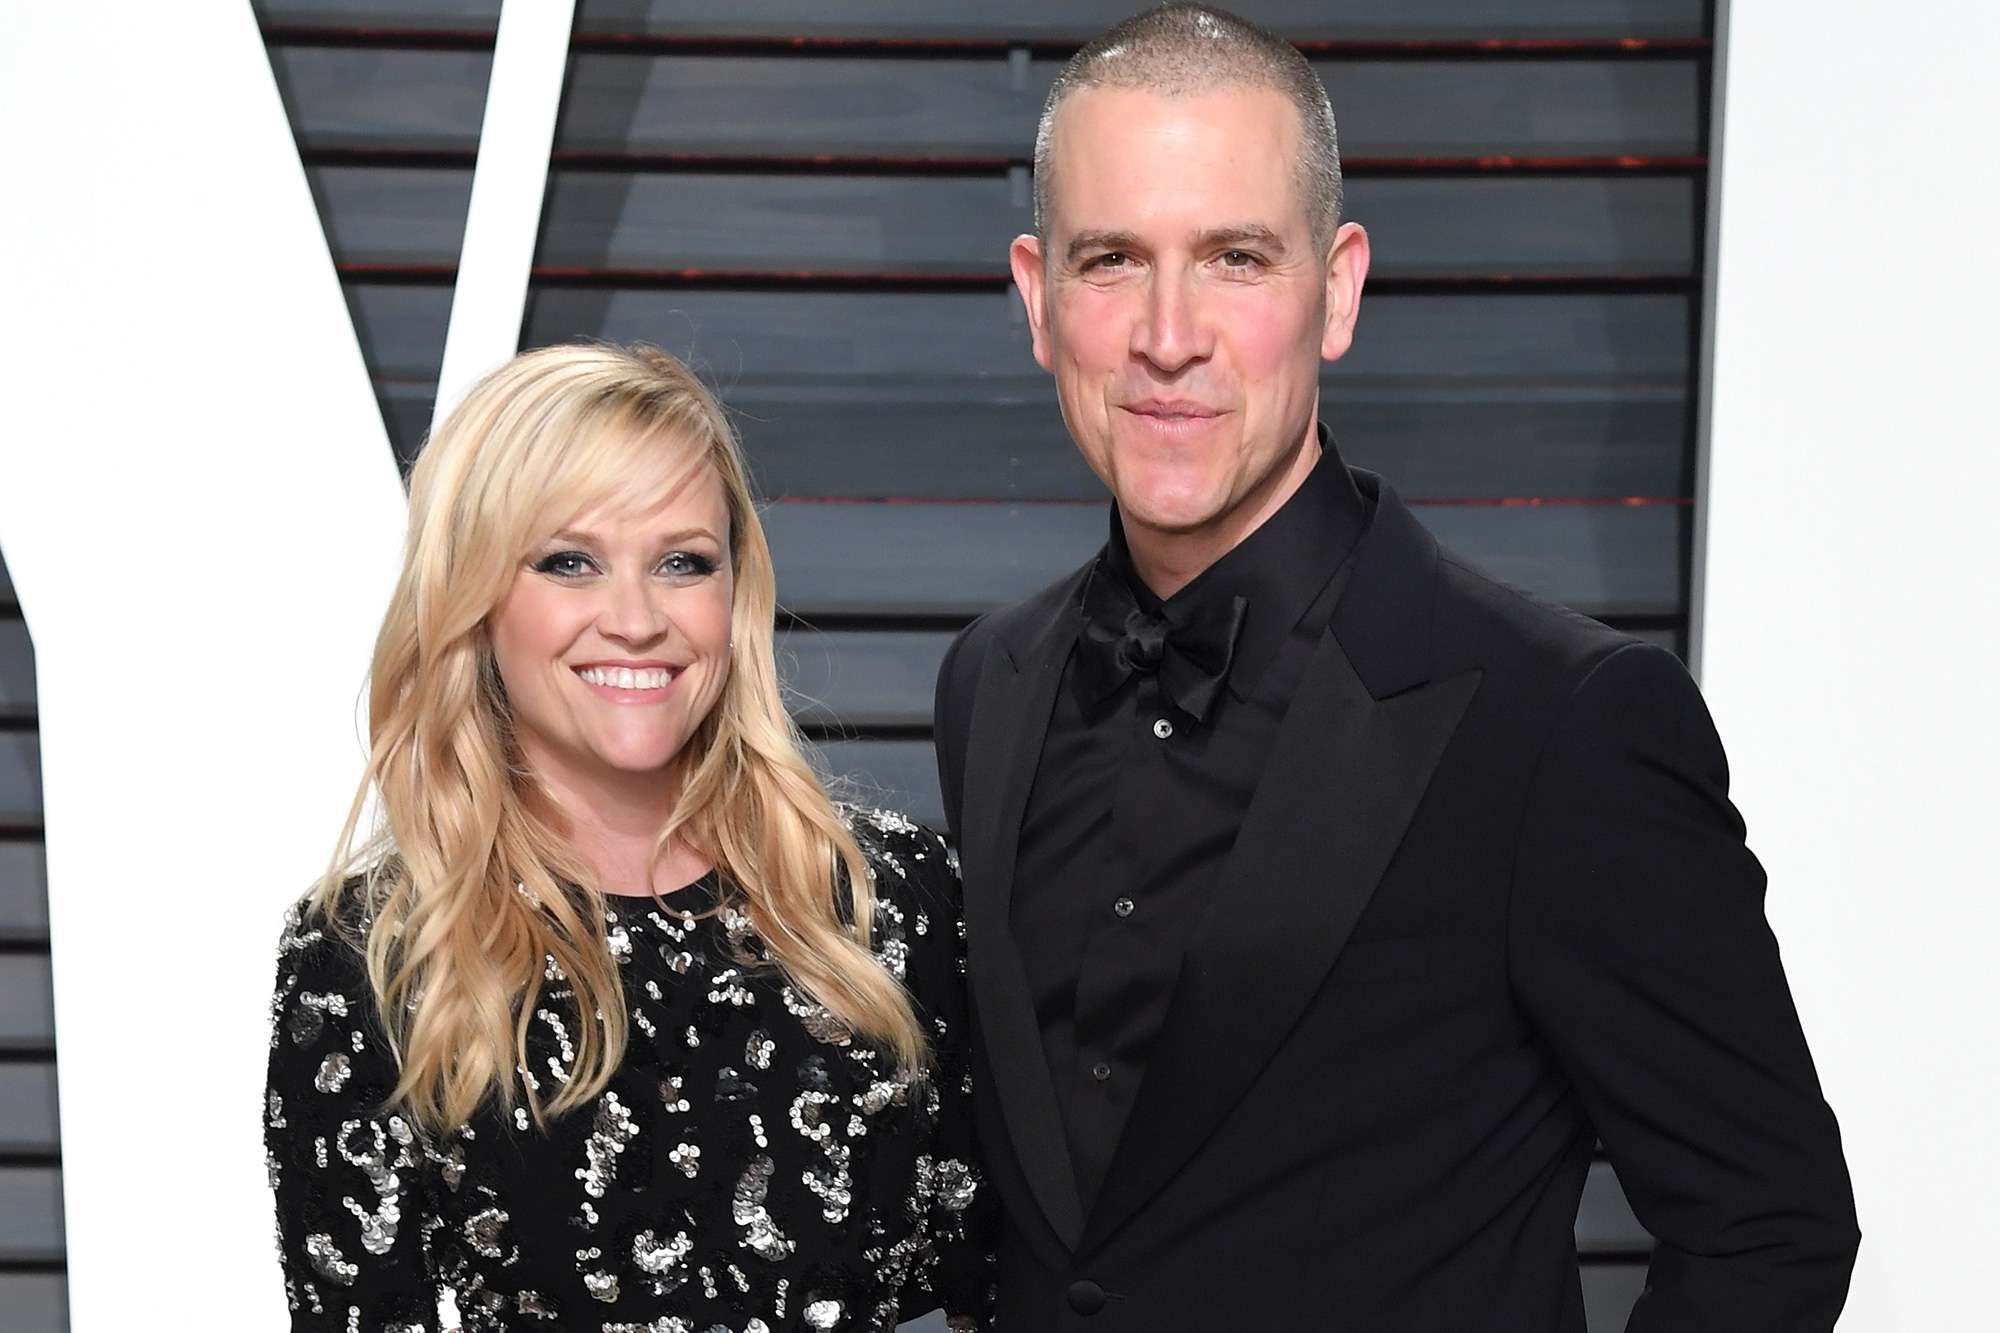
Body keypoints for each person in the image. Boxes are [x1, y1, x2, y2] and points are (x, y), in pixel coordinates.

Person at [933, 6, 1858, 1329]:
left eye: (1236, 259)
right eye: (1112, 260)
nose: (1168, 331)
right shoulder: (991, 685)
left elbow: (1769, 1224)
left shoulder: (1563, 725)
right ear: (1038, 297)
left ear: (1340, 288)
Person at [265, 344, 990, 1332]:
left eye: (680, 562)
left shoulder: (892, 902)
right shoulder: (372, 955)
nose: (636, 619)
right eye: (570, 562)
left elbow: (1000, 1279)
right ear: (476, 599)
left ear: (732, 595)